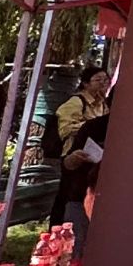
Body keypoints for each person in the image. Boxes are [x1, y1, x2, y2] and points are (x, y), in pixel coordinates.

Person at [51, 66, 109, 249]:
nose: (103, 84)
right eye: (98, 80)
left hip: (93, 160)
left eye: (105, 80)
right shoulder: (76, 102)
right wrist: (87, 127)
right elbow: (65, 129)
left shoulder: (102, 104)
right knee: (69, 201)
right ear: (85, 83)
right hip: (74, 155)